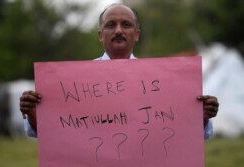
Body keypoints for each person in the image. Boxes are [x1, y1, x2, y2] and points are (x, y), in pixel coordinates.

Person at [20, 3, 219, 139]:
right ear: (100, 35)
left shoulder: (160, 81)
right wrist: (32, 113)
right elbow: (48, 135)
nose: (118, 30)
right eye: (110, 25)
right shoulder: (74, 83)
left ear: (137, 34)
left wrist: (202, 115)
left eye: (126, 25)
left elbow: (192, 136)